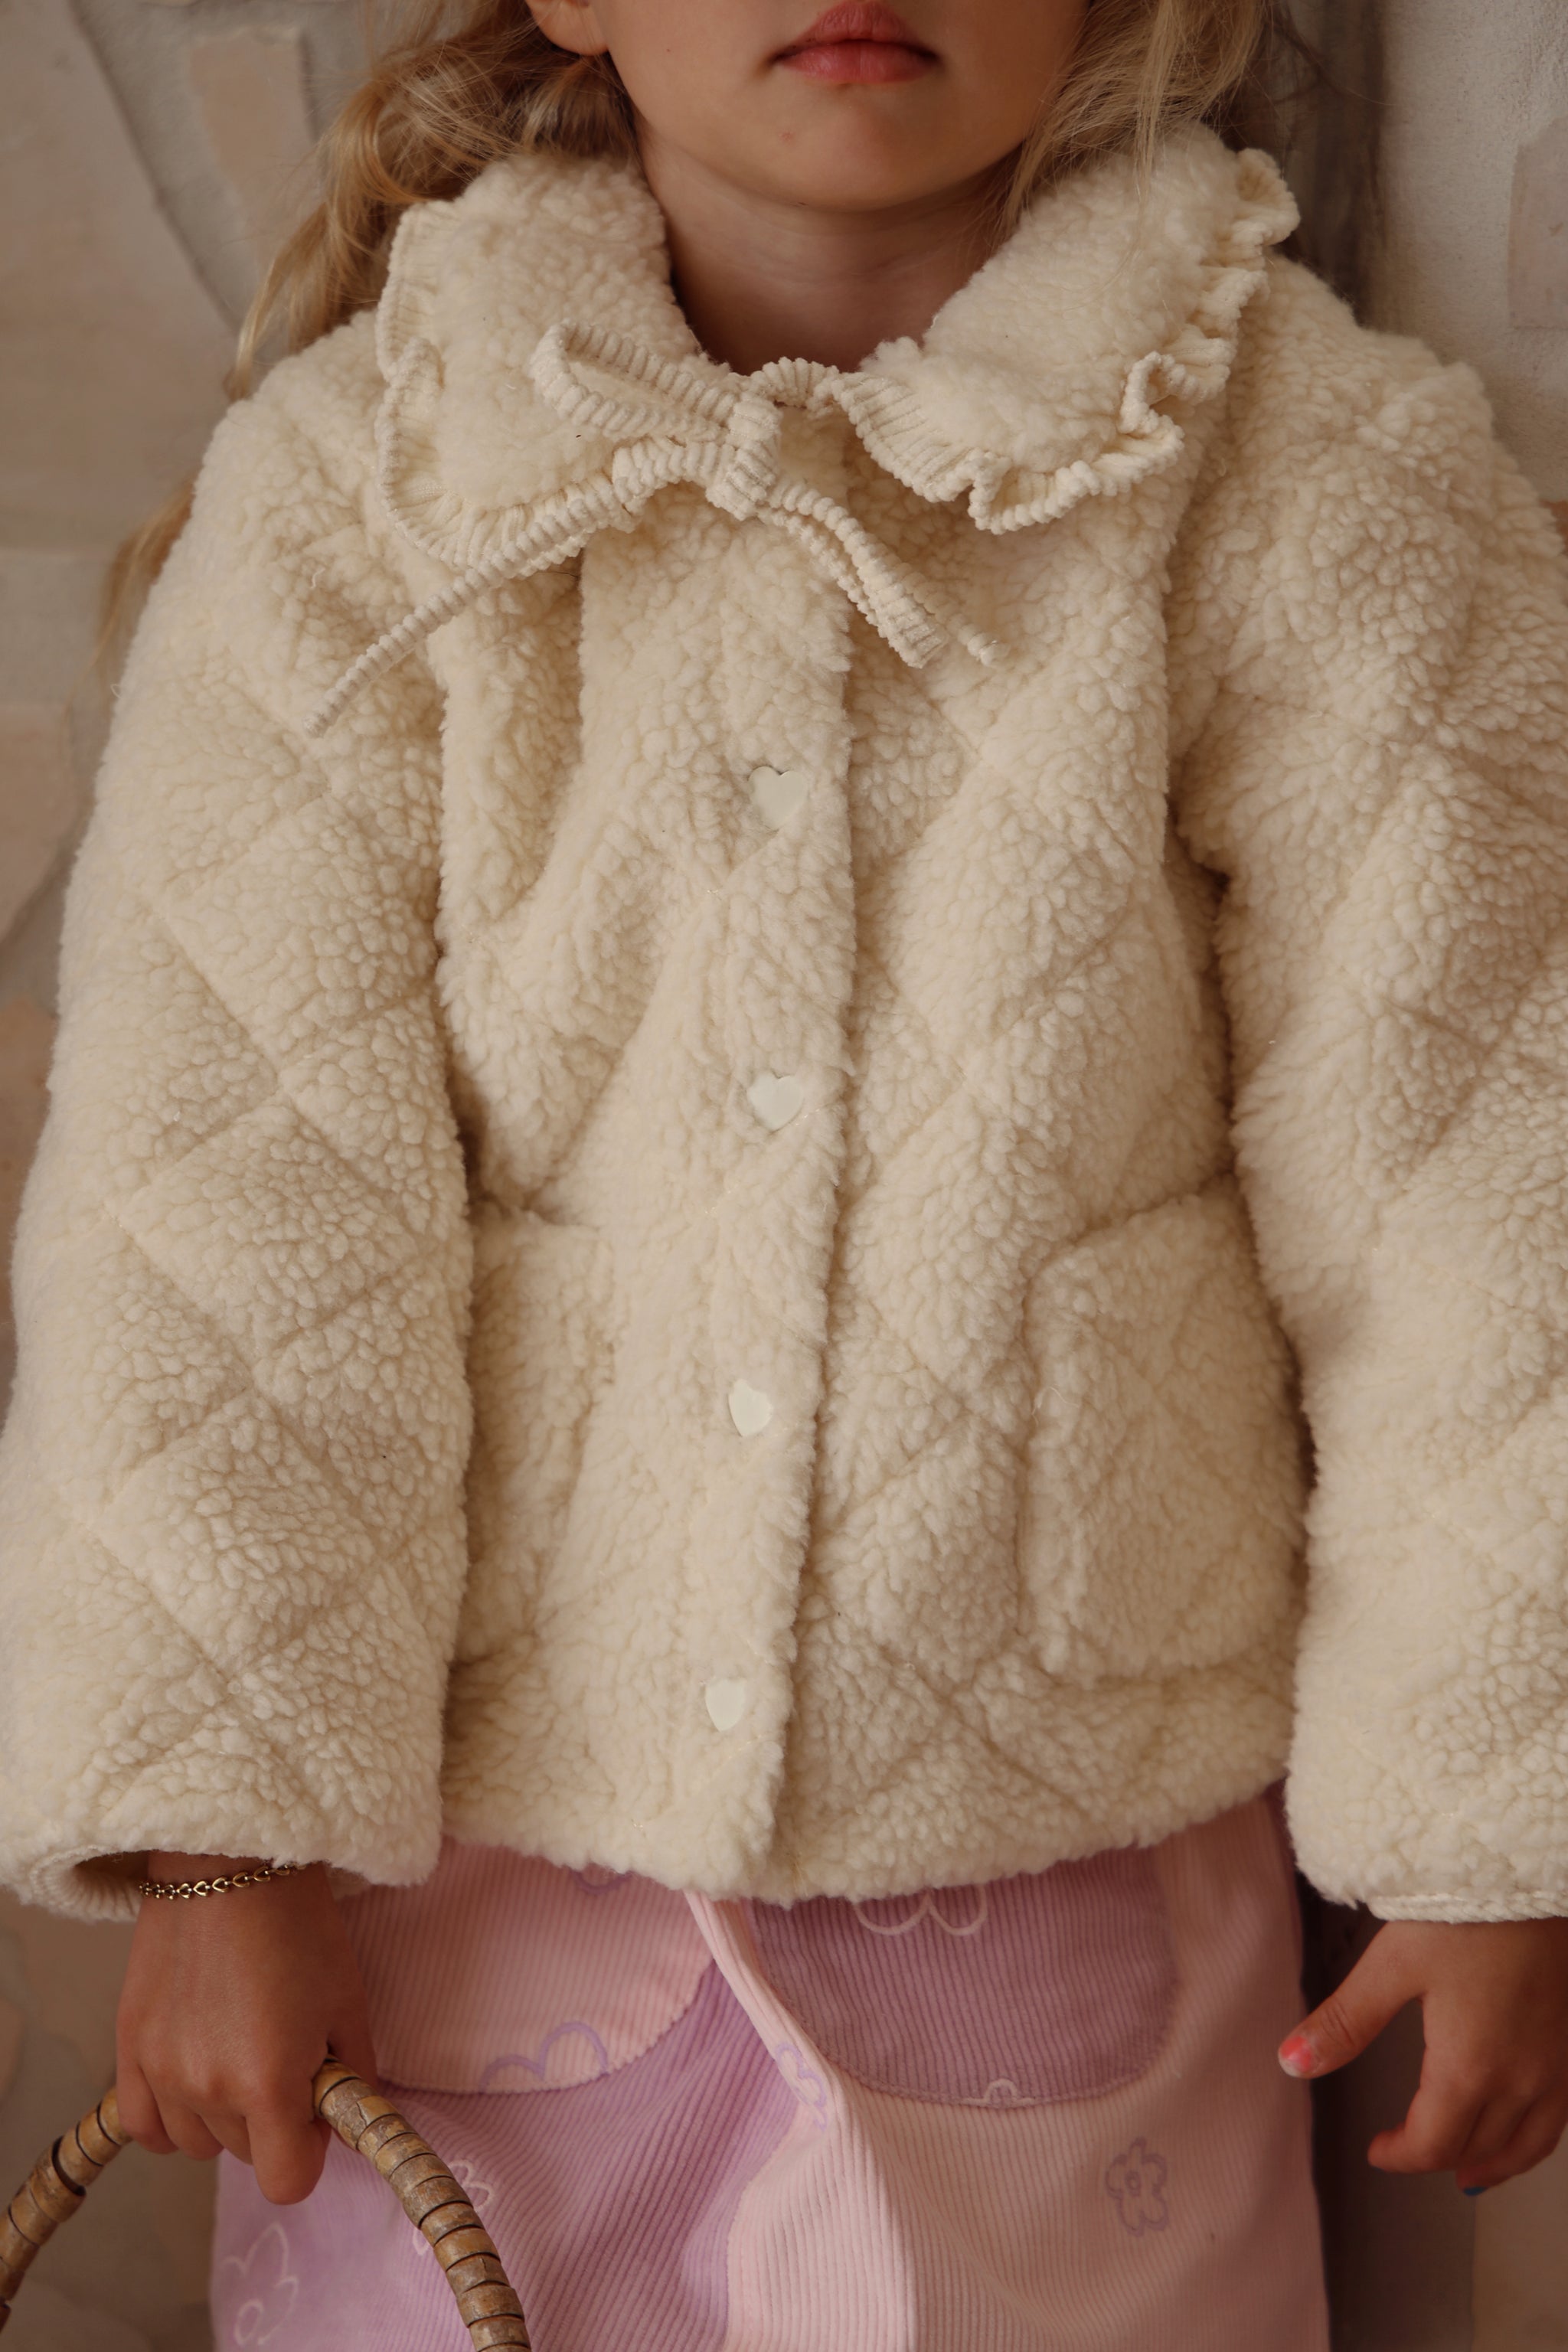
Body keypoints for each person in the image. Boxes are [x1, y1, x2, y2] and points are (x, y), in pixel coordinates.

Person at [3, 0, 1568, 2343]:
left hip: (1076, 1870)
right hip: (464, 1897)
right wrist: (221, 1845)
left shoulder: (1311, 470)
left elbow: (1482, 1173)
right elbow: (220, 1195)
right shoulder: (360, 487)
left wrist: (1496, 1821)